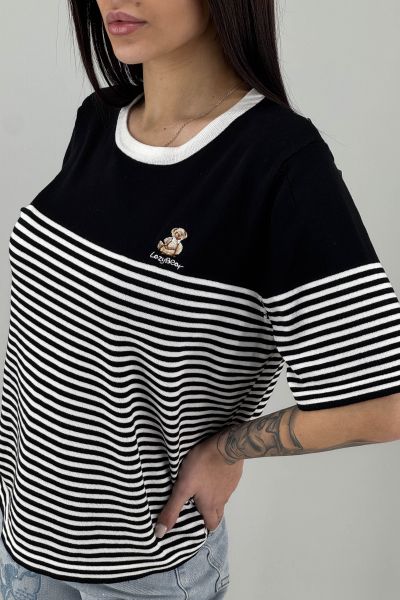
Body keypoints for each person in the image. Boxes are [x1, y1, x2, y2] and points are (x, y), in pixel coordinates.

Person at [1, 0, 400, 598]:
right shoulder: (99, 121)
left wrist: (226, 449)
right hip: (22, 550)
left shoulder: (279, 162)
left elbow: (383, 407)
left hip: (144, 571)